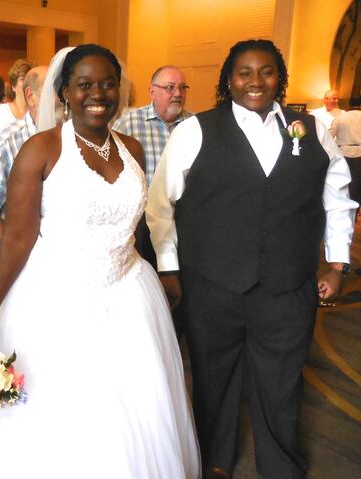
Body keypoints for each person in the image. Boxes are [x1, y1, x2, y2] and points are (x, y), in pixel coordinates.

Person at [0, 44, 200, 479]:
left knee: (131, 410)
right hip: (54, 298)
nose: (98, 94)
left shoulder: (131, 148)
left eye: (107, 84)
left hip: (128, 293)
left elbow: (133, 227)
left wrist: (160, 273)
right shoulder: (41, 149)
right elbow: (16, 238)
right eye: (84, 84)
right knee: (56, 414)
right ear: (65, 91)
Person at [146, 39, 357, 479]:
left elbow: (336, 198)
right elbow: (160, 206)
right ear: (229, 79)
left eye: (266, 71)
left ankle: (280, 466)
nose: (255, 81)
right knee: (212, 379)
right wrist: (169, 268)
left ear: (279, 77)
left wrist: (337, 264)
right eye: (244, 72)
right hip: (212, 286)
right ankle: (214, 460)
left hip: (287, 286)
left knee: (281, 383)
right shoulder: (196, 130)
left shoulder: (311, 128)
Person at [114, 65, 192, 273]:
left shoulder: (194, 126)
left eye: (182, 88)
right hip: (142, 226)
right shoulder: (129, 124)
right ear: (152, 91)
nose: (178, 93)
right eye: (170, 87)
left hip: (184, 225)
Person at [0, 66, 47, 246]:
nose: (60, 98)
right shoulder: (6, 139)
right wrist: (6, 248)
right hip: (24, 245)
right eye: (52, 91)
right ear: (31, 96)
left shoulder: (70, 135)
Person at [330, 97, 361, 215]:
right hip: (360, 153)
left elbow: (330, 135)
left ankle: (340, 208)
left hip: (343, 153)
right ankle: (355, 210)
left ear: (349, 104)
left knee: (342, 181)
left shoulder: (340, 118)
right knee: (357, 185)